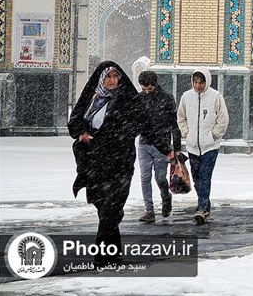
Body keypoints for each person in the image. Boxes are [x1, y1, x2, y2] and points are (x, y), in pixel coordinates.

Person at [68, 61, 174, 264]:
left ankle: (102, 254)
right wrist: (81, 133)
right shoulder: (92, 98)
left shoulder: (128, 100)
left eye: (115, 77)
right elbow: (74, 122)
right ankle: (113, 250)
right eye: (108, 77)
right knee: (103, 206)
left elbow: (148, 127)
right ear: (101, 79)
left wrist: (167, 150)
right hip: (95, 162)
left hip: (120, 162)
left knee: (112, 206)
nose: (111, 81)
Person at [177, 67, 229, 224]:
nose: (198, 86)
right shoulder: (186, 97)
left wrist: (213, 136)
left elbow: (223, 119)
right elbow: (181, 117)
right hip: (192, 146)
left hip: (210, 147)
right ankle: (205, 203)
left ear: (207, 82)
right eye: (195, 82)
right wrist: (187, 133)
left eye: (201, 82)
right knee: (197, 179)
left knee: (205, 177)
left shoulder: (215, 97)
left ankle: (202, 208)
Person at [136, 70, 181, 223]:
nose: (147, 91)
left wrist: (176, 147)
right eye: (144, 88)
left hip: (162, 145)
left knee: (160, 178)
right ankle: (149, 210)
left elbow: (174, 125)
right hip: (144, 143)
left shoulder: (166, 98)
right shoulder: (139, 99)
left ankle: (165, 197)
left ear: (155, 85)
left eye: (149, 88)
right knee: (145, 177)